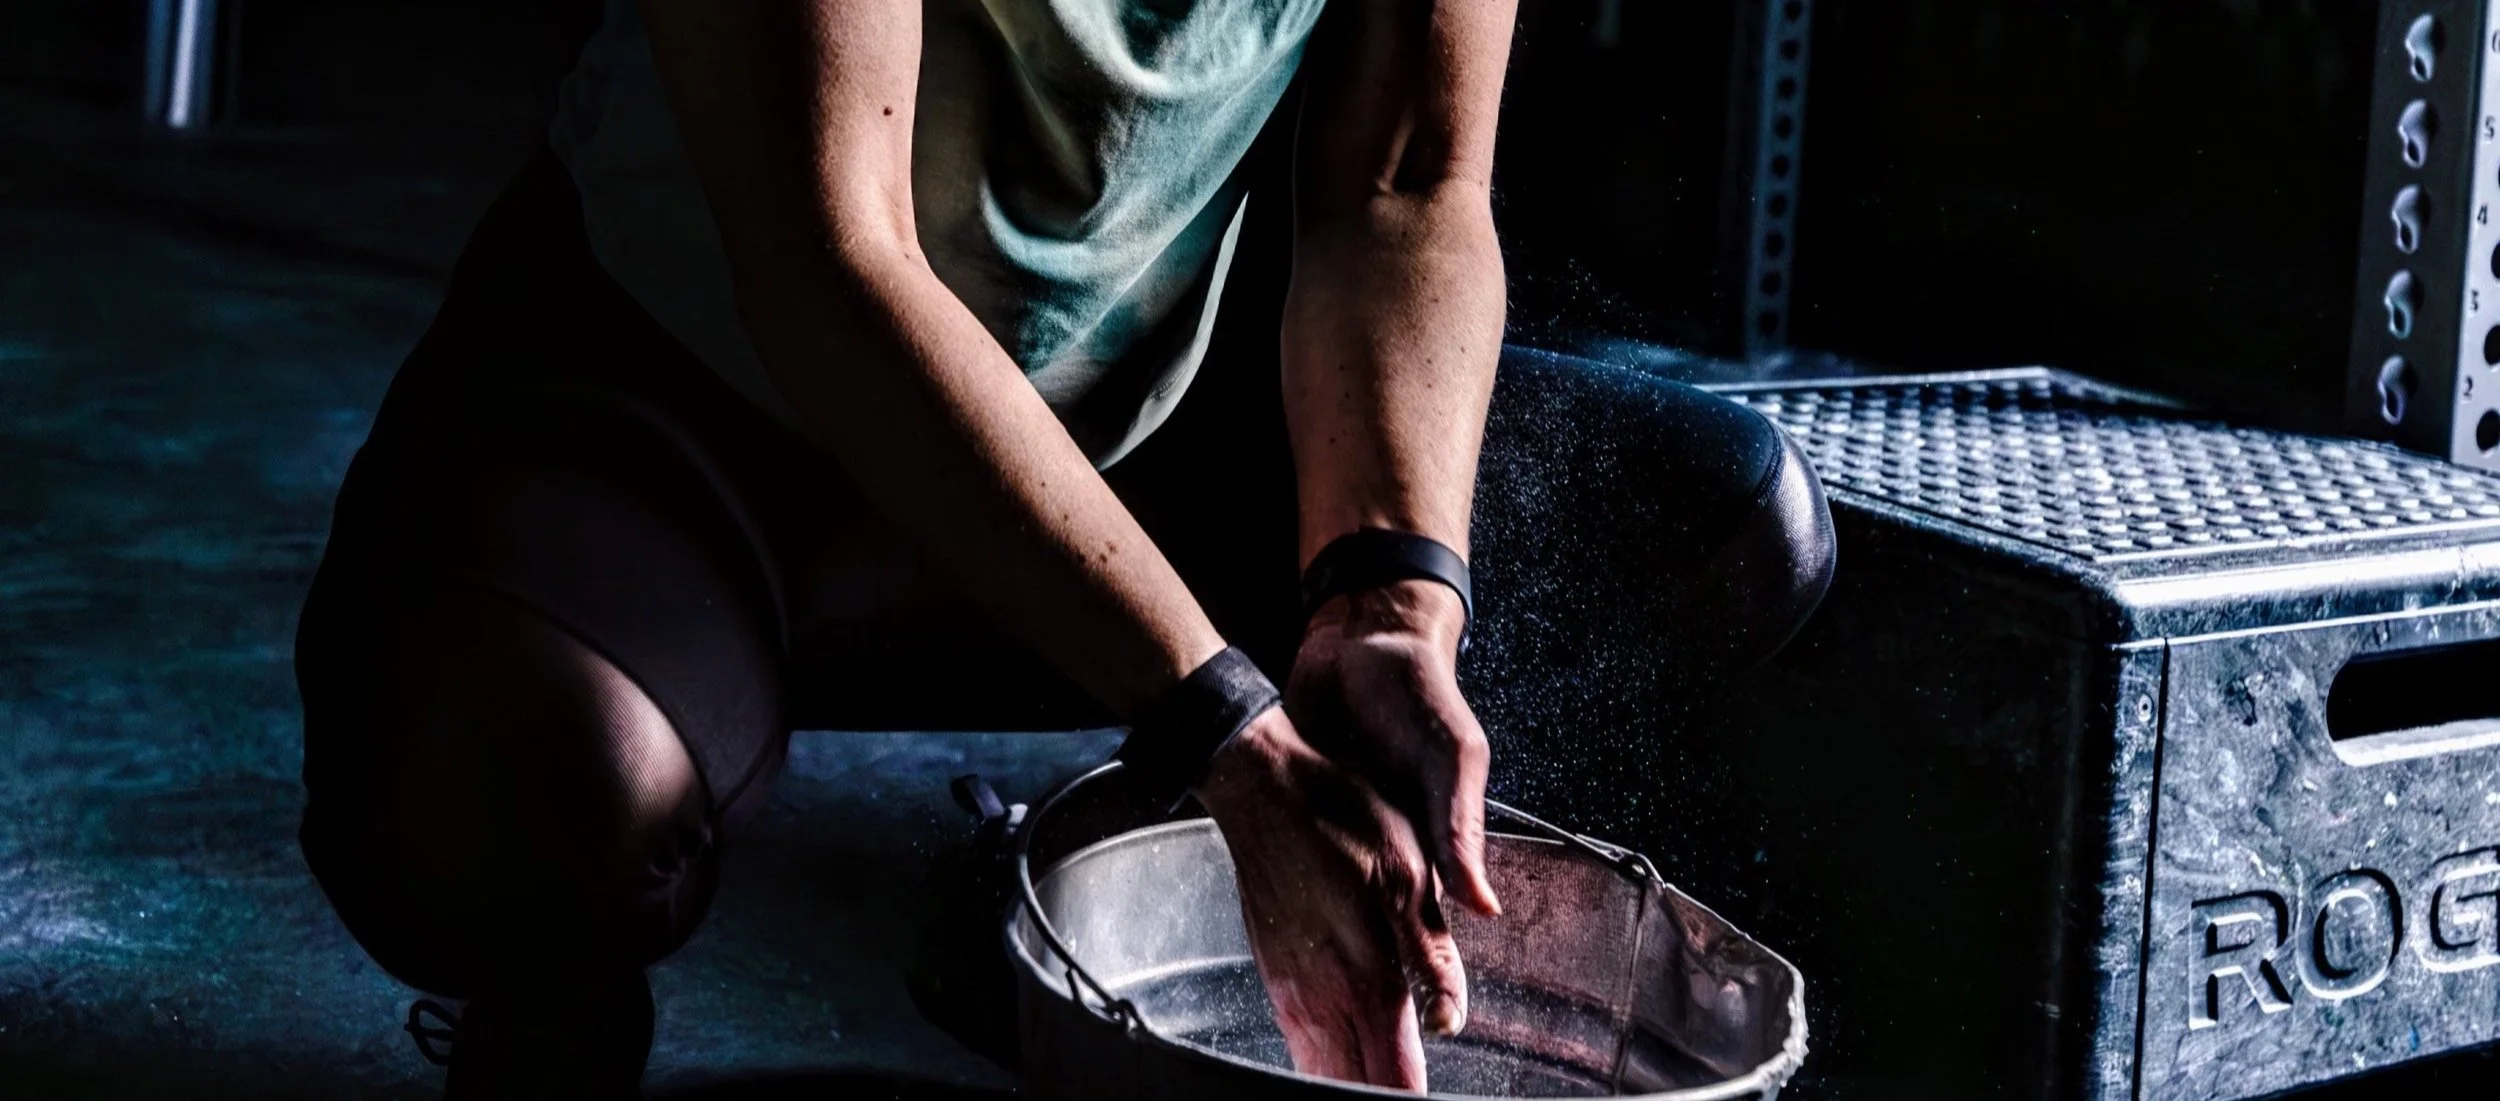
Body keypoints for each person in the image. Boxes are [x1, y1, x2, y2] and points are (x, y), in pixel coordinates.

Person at [291, 1, 1833, 1096]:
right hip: (690, 404)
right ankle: (557, 991)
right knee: (536, 809)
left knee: (1714, 527)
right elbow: (831, 258)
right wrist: (1230, 736)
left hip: (1122, 419)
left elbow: (1405, 187)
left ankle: (1069, 905)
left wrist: (1388, 606)